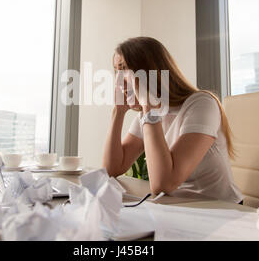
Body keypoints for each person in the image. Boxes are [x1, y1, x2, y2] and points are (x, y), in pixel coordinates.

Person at [102, 37, 243, 204]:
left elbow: (163, 184)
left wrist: (148, 107)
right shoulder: (149, 113)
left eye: (123, 69)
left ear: (149, 71)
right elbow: (112, 169)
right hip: (176, 208)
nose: (118, 81)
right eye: (116, 71)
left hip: (219, 210)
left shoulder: (201, 104)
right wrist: (118, 111)